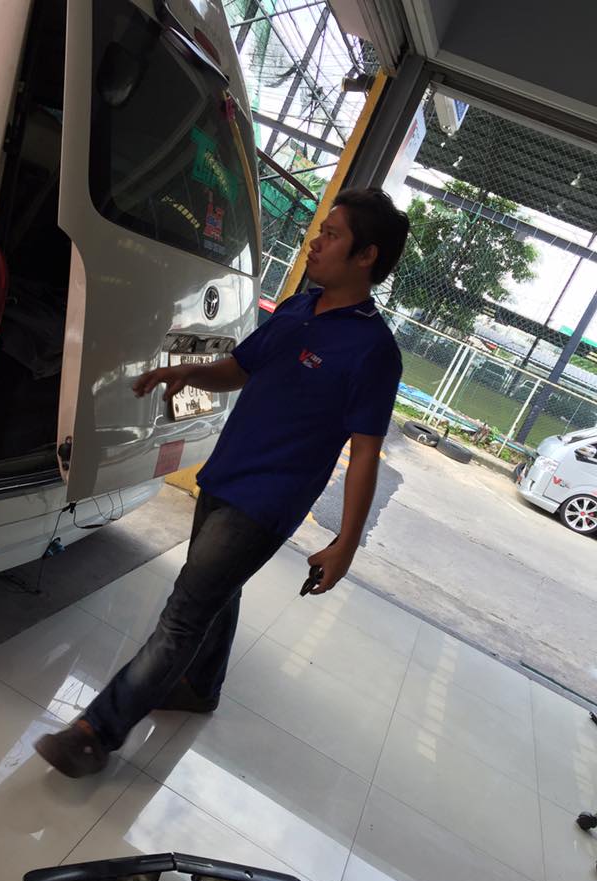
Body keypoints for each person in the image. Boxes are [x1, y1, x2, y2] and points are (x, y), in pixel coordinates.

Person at [35, 187, 409, 778]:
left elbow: (365, 453)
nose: (315, 242)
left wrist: (346, 543)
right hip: (225, 474)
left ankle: (95, 733)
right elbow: (240, 368)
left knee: (184, 615)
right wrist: (189, 371)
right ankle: (200, 687)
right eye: (320, 230)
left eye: (332, 235)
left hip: (266, 503)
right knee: (216, 590)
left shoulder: (374, 352)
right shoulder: (297, 308)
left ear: (366, 256)